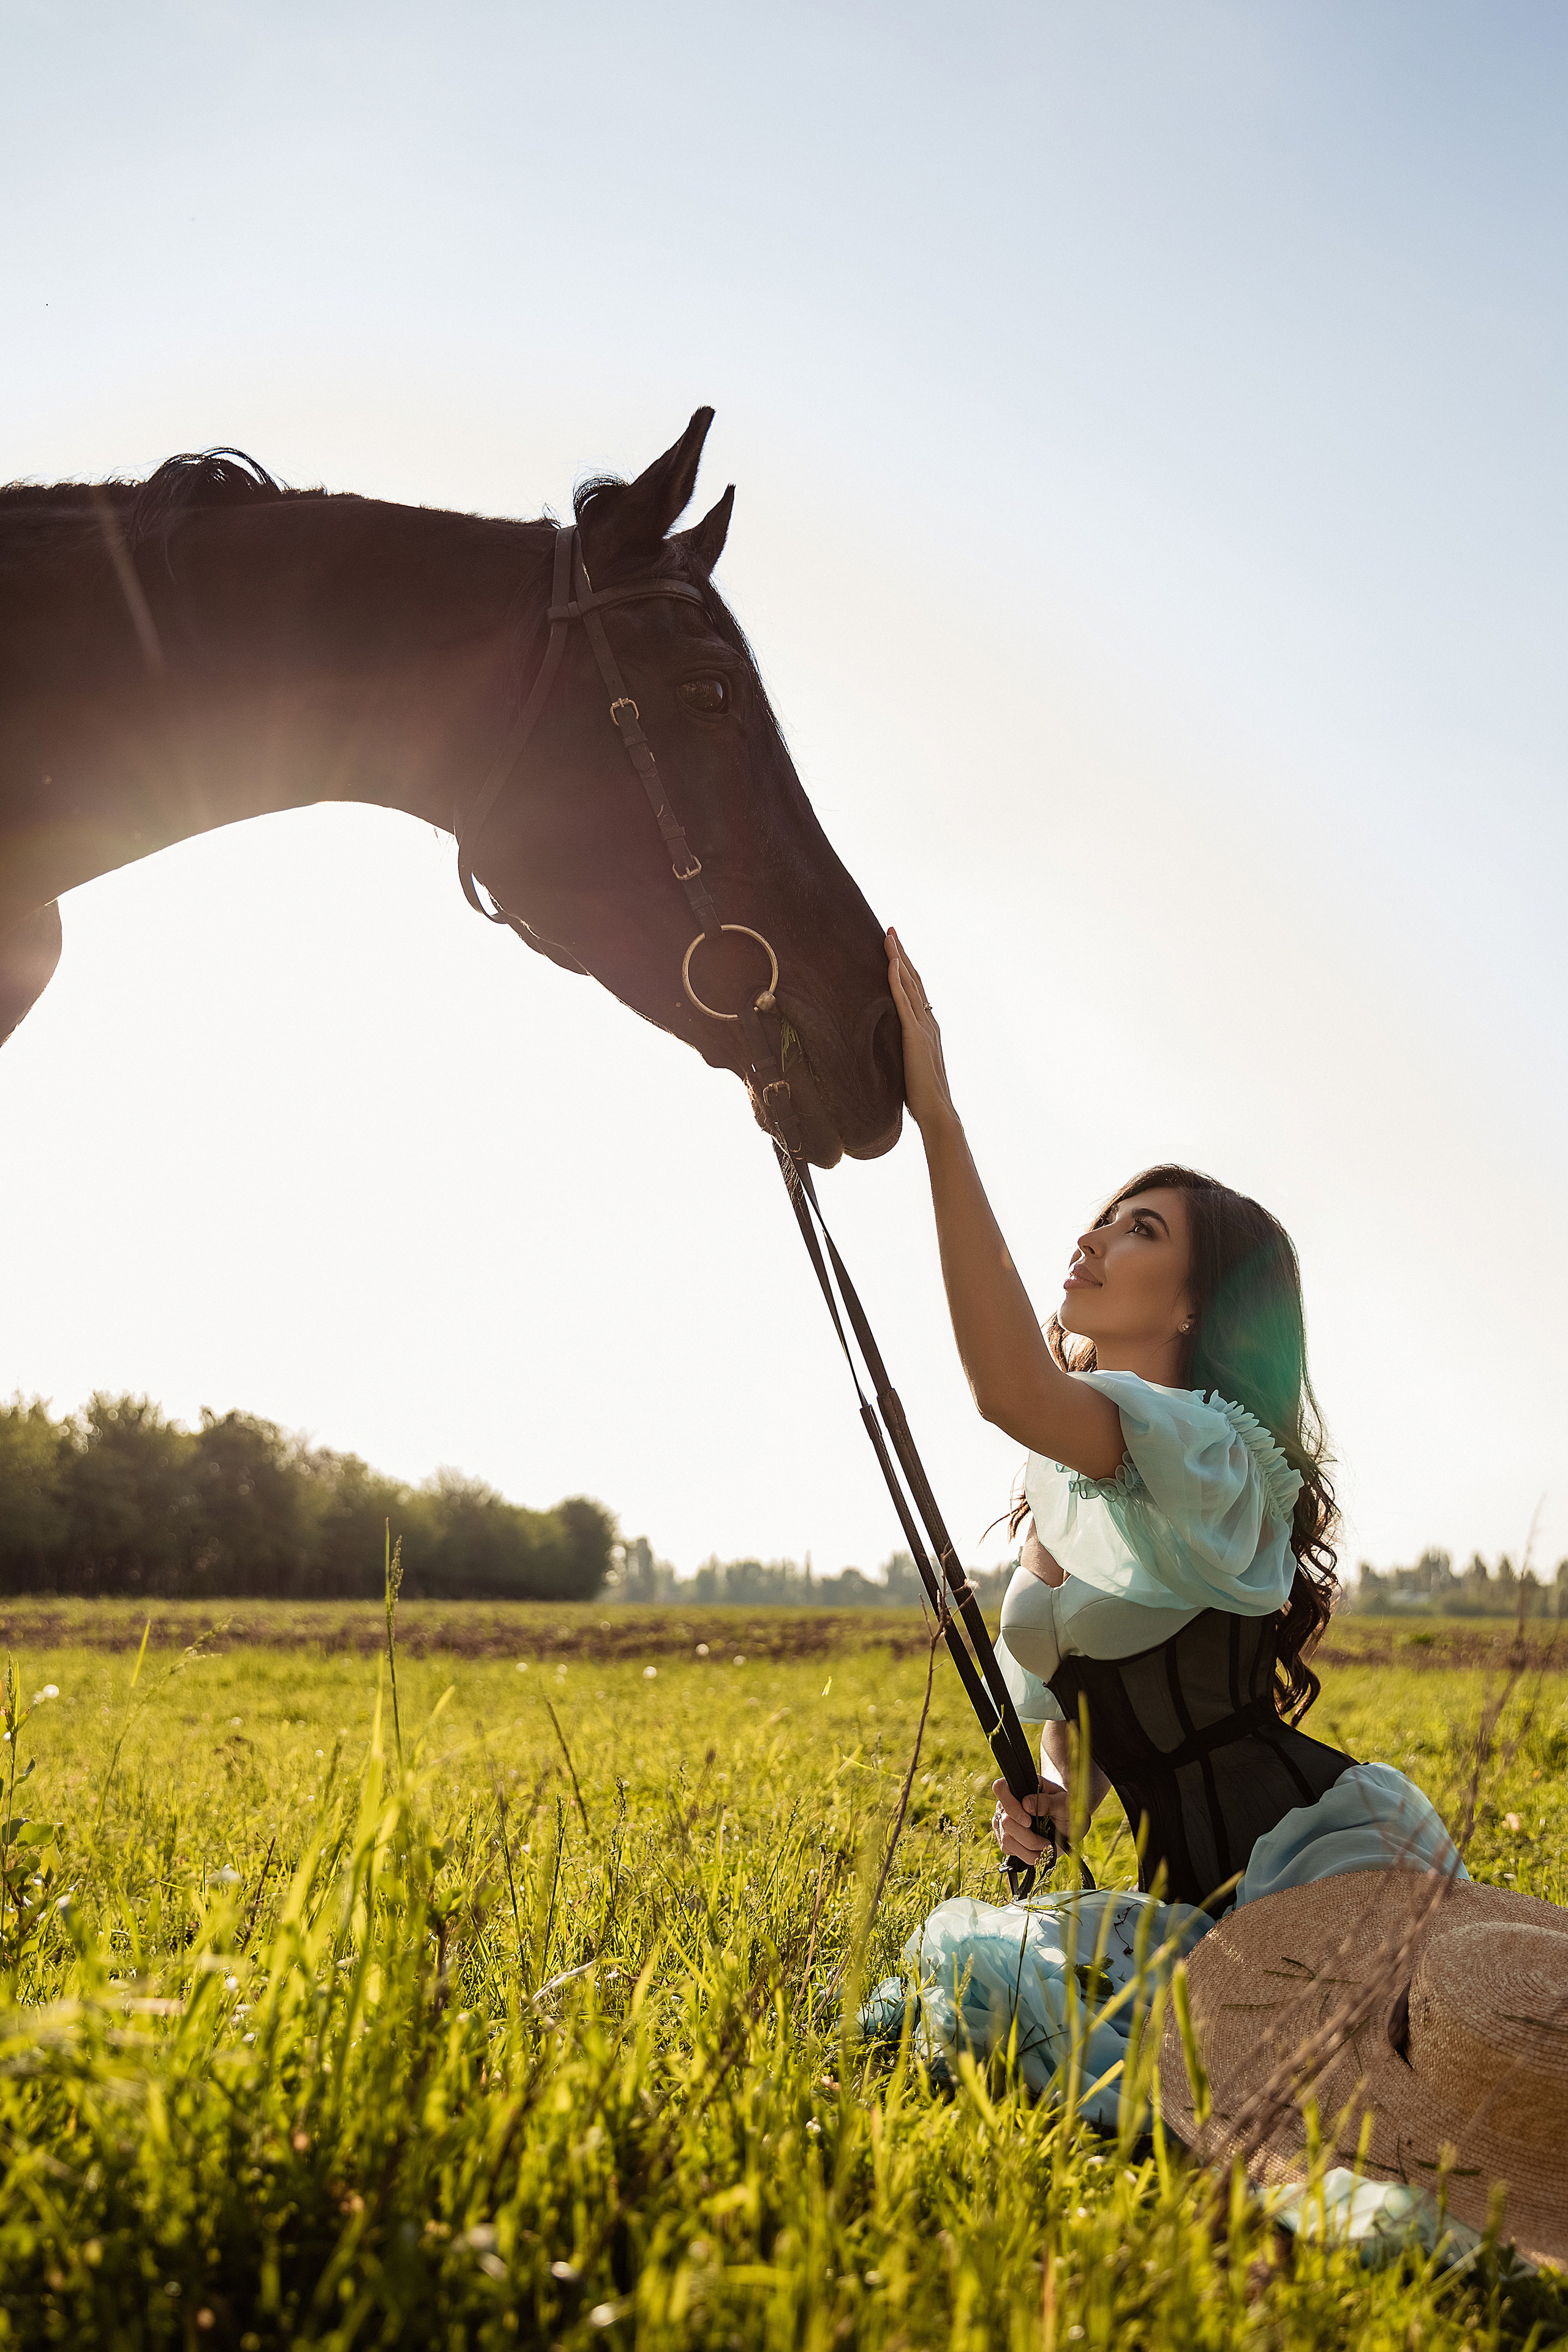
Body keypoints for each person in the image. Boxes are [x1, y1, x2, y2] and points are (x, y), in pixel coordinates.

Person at [861, 929, 1464, 2124]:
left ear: (1192, 1302)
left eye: (1138, 1231)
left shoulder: (1204, 1442)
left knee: (1324, 2112)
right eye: (1102, 1216)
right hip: (1200, 1910)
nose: (1090, 1237)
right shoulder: (1072, 1482)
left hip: (1319, 1869)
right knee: (986, 2001)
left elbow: (1001, 1387)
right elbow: (1080, 1724)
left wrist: (937, 1119)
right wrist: (1043, 1795)